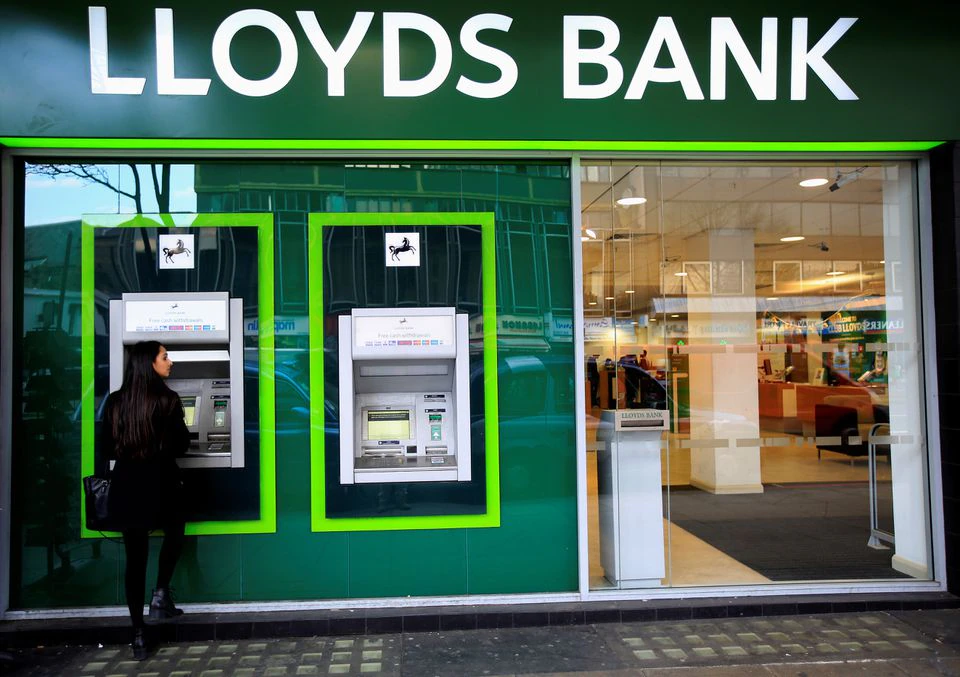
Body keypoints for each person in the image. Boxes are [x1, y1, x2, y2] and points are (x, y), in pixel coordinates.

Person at [100, 341, 189, 661]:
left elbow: (106, 447)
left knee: (135, 561)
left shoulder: (115, 402)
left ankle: (138, 634)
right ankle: (161, 592)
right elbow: (182, 445)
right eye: (165, 357)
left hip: (127, 485)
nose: (170, 362)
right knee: (176, 531)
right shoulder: (168, 400)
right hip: (161, 482)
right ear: (149, 363)